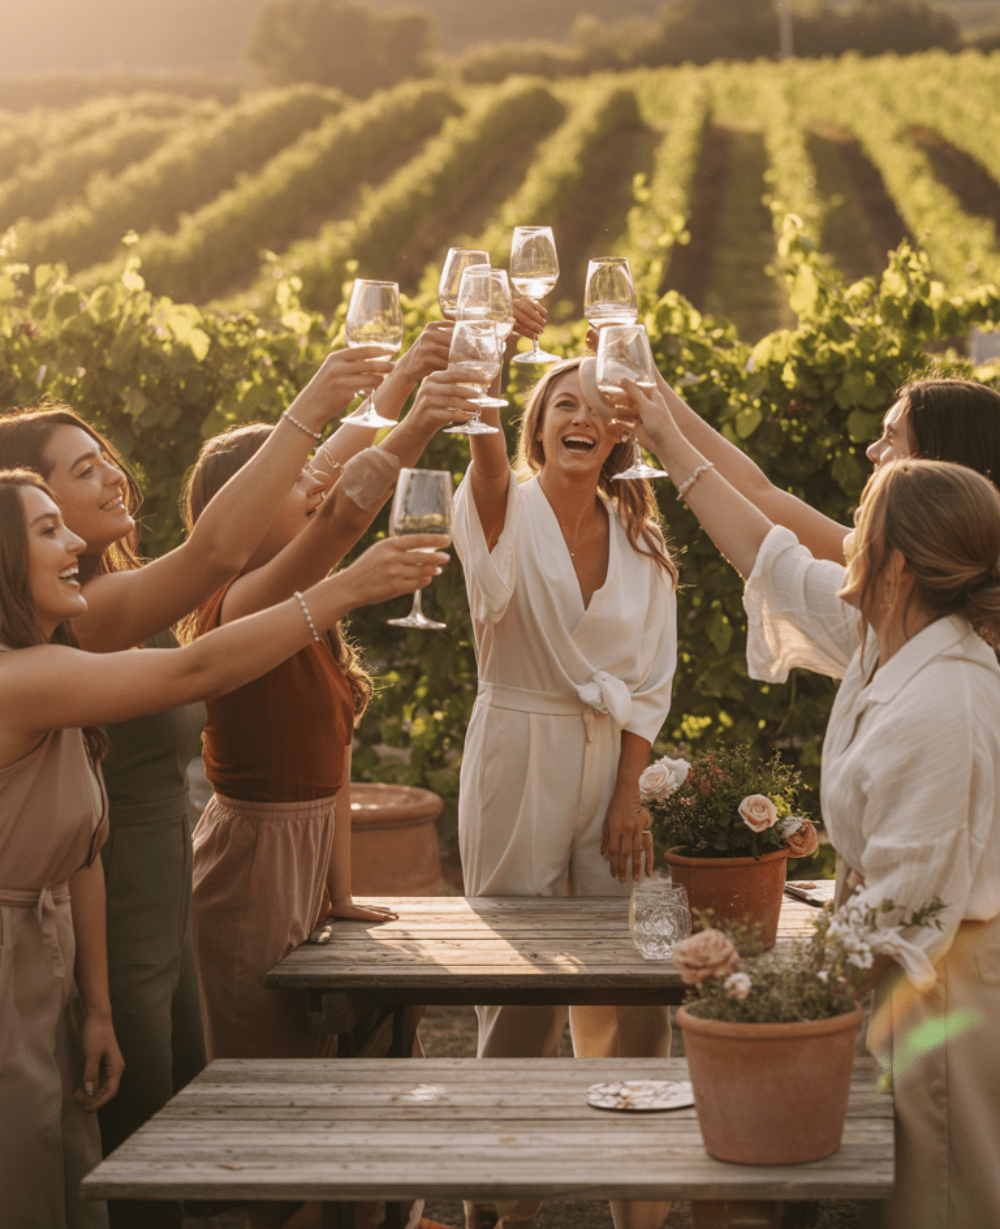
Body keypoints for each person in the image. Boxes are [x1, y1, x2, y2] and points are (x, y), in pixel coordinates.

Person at [0, 328, 449, 1228]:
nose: (108, 482)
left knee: (114, 1148)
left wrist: (401, 391)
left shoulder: (82, 616)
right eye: (56, 507)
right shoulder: (42, 661)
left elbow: (295, 511)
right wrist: (346, 581)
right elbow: (204, 653)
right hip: (88, 926)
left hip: (108, 914)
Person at [624, 379, 1000, 1229]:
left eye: (860, 531)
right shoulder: (888, 637)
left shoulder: (954, 699)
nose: (839, 544)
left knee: (938, 1199)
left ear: (901, 563)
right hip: (900, 964)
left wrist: (765, 998)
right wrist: (661, 417)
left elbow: (911, 904)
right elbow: (767, 542)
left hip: (945, 984)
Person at [183, 365, 477, 1075]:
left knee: (331, 1057)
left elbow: (335, 774)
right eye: (293, 483)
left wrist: (339, 894)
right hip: (253, 866)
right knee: (265, 1068)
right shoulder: (241, 605)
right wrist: (420, 417)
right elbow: (345, 510)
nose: (313, 483)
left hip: (307, 863)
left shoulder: (305, 614)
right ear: (239, 510)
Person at [453, 355, 678, 1229]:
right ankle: (498, 1210)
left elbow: (650, 680)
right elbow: (483, 446)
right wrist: (494, 344)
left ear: (621, 432)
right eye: (562, 404)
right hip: (517, 751)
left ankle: (641, 1205)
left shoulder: (642, 537)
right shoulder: (502, 505)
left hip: (610, 769)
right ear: (537, 424)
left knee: (636, 983)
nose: (581, 418)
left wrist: (633, 794)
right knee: (517, 992)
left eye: (599, 408)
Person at [643, 371, 1000, 562]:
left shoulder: (890, 586)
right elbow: (757, 494)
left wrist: (665, 440)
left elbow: (760, 549)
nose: (872, 452)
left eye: (891, 439)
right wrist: (653, 385)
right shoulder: (881, 559)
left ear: (939, 464)